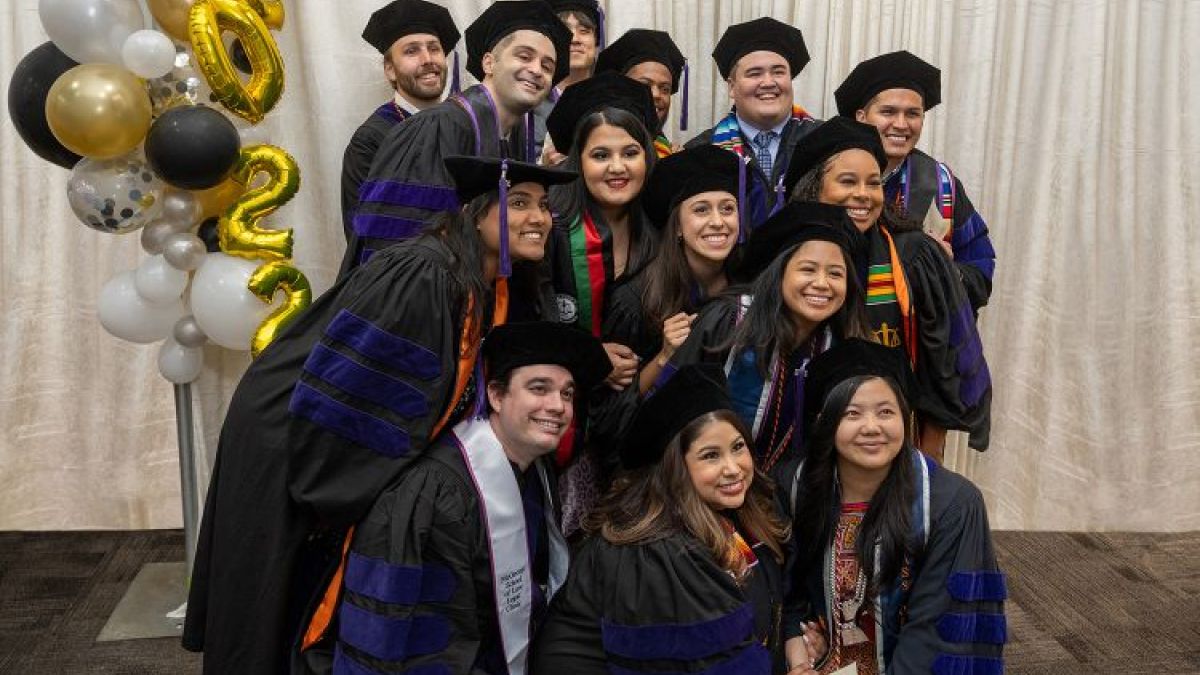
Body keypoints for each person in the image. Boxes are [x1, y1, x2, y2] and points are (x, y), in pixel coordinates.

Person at [182, 156, 576, 675]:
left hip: (327, 429)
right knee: (273, 591)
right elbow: (361, 393)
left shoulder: (480, 278)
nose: (539, 217)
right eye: (518, 202)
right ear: (475, 212)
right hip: (297, 432)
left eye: (544, 206)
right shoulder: (425, 273)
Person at [299, 321, 611, 675]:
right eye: (539, 388)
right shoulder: (435, 489)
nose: (557, 406)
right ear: (495, 395)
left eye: (567, 394)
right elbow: (396, 625)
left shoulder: (535, 476)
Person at [531, 364, 792, 674]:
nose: (733, 467)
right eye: (710, 455)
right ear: (675, 469)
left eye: (738, 447)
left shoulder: (734, 518)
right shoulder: (656, 551)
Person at [777, 339, 1006, 675]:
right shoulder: (792, 487)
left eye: (886, 412)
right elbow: (786, 594)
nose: (872, 427)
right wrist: (798, 657)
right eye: (851, 413)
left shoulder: (951, 503)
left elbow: (938, 626)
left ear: (906, 418)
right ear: (824, 421)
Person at [596, 204, 870, 474]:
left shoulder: (837, 344)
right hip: (699, 488)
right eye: (808, 269)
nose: (822, 283)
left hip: (784, 496)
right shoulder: (728, 321)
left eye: (836, 273)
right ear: (779, 272)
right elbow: (663, 419)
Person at [784, 116, 991, 458]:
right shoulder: (786, 258)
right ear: (813, 188)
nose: (863, 195)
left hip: (892, 443)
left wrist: (930, 450)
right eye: (848, 181)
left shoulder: (914, 256)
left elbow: (940, 362)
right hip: (805, 444)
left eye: (873, 183)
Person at [341, 0, 572, 276]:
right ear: (488, 62)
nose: (537, 69)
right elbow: (397, 248)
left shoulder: (514, 132)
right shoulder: (437, 128)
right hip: (426, 305)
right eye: (524, 56)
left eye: (547, 65)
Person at [835, 50, 996, 311]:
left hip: (918, 338)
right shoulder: (831, 177)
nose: (901, 124)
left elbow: (979, 266)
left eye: (912, 114)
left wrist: (946, 272)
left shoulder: (941, 183)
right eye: (888, 112)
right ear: (861, 117)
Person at [602, 143, 743, 394]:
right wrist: (666, 356)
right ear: (677, 227)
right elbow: (614, 413)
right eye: (701, 210)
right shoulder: (637, 301)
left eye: (728, 208)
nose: (718, 222)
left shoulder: (749, 285)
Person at [684, 17, 820, 233]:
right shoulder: (700, 151)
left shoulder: (824, 142)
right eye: (754, 73)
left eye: (778, 72)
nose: (768, 82)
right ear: (731, 87)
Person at [340, 0, 460, 243]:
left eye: (434, 48)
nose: (428, 59)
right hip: (408, 277)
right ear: (390, 70)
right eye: (411, 51)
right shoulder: (372, 139)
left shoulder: (463, 126)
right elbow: (365, 236)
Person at [594, 28, 688, 157]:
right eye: (644, 85)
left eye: (665, 89)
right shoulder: (594, 148)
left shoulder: (669, 154)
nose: (656, 94)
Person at [531, 0, 603, 161]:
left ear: (596, 43)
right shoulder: (529, 105)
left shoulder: (611, 101)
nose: (575, 39)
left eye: (584, 31)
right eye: (565, 30)